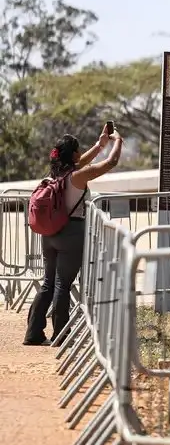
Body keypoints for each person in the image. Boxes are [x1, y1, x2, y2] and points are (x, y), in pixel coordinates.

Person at [23, 126, 123, 346]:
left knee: (48, 283)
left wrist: (100, 145)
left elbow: (82, 162)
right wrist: (118, 142)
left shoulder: (54, 175)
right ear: (75, 155)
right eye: (79, 151)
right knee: (63, 284)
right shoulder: (77, 177)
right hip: (71, 233)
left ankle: (33, 333)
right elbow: (111, 163)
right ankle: (61, 335)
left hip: (49, 234)